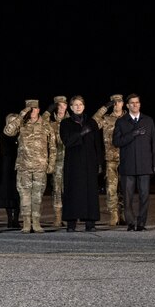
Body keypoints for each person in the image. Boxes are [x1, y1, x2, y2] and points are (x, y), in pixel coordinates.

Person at [3, 99, 56, 233]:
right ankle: (26, 223)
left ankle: (36, 223)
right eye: (29, 109)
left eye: (35, 108)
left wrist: (51, 165)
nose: (32, 111)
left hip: (40, 166)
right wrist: (21, 115)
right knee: (25, 196)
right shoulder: (21, 124)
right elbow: (8, 132)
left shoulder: (46, 125)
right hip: (24, 166)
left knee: (37, 197)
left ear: (39, 109)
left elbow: (53, 147)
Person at [113, 94, 155, 232]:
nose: (135, 105)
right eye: (132, 103)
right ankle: (131, 223)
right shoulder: (121, 122)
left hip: (145, 165)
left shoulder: (148, 121)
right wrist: (133, 133)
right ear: (127, 105)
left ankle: (141, 223)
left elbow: (154, 144)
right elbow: (116, 142)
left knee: (144, 196)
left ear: (140, 104)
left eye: (137, 102)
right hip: (128, 166)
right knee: (128, 197)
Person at [59, 95, 104, 232]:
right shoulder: (66, 123)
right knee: (73, 192)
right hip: (73, 163)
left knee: (90, 192)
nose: (78, 107)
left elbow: (98, 144)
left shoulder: (92, 123)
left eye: (80, 104)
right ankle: (71, 223)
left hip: (89, 162)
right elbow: (66, 141)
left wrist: (100, 162)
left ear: (84, 106)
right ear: (71, 108)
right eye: (75, 105)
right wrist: (81, 134)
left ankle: (90, 223)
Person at [92, 94, 126, 226]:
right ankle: (113, 214)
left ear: (123, 103)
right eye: (114, 102)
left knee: (124, 189)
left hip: (126, 158)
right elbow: (93, 121)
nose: (117, 104)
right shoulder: (106, 119)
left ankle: (123, 214)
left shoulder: (128, 118)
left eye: (119, 101)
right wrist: (105, 107)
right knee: (111, 189)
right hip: (111, 159)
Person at [42, 95, 69, 227]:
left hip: (71, 161)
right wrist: (48, 111)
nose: (61, 107)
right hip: (57, 161)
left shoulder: (72, 121)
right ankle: (58, 217)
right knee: (57, 189)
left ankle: (70, 216)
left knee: (70, 189)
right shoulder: (51, 124)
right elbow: (40, 123)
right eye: (58, 105)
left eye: (63, 104)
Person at [0, 113, 21, 229]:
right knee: (8, 193)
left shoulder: (21, 134)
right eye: (11, 121)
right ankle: (9, 219)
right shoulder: (3, 135)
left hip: (18, 166)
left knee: (18, 194)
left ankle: (16, 219)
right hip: (7, 166)